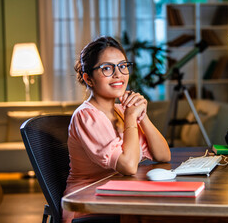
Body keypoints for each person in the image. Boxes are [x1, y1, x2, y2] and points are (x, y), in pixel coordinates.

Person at [62, 36, 171, 222]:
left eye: (122, 66)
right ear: (88, 78)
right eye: (107, 68)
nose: (118, 74)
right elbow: (128, 166)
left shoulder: (122, 110)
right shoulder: (86, 116)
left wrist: (142, 116)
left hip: (120, 195)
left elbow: (163, 155)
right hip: (89, 205)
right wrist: (131, 117)